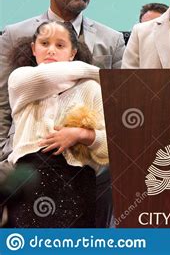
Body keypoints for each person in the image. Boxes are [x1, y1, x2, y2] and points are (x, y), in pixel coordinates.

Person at [0, 0, 124, 227]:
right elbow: (4, 104)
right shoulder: (17, 46)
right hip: (24, 171)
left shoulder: (111, 40)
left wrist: (81, 134)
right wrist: (110, 78)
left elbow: (114, 120)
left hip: (86, 177)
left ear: (74, 51)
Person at [6, 21, 108, 227]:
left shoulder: (91, 88)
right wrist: (101, 74)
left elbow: (110, 145)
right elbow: (49, 76)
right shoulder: (21, 79)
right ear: (34, 49)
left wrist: (81, 135)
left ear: (73, 53)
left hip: (78, 181)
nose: (51, 50)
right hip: (30, 177)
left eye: (60, 45)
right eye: (44, 43)